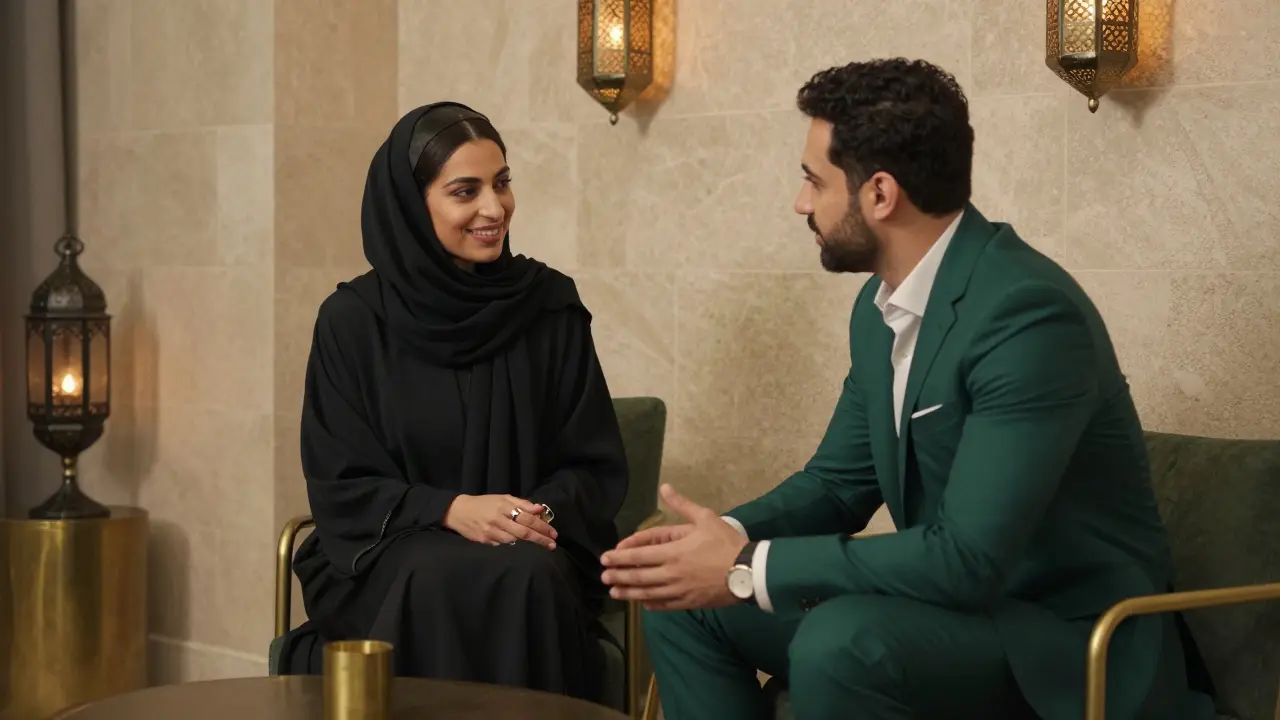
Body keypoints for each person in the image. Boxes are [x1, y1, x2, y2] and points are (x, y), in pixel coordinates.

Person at [600, 59, 1216, 720]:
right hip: (952, 611)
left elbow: (968, 557)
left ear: (881, 194)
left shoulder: (1028, 316)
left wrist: (750, 565)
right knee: (679, 602)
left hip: (1067, 640)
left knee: (841, 642)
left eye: (814, 180)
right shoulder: (880, 311)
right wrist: (719, 540)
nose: (801, 203)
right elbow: (837, 486)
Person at [288, 101, 629, 702]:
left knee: (519, 572)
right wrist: (450, 510)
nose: (494, 209)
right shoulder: (352, 322)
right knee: (433, 572)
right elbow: (341, 479)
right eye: (465, 191)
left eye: (502, 183)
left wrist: (525, 518)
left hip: (529, 550)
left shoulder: (549, 308)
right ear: (411, 205)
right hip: (388, 554)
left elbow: (592, 467)